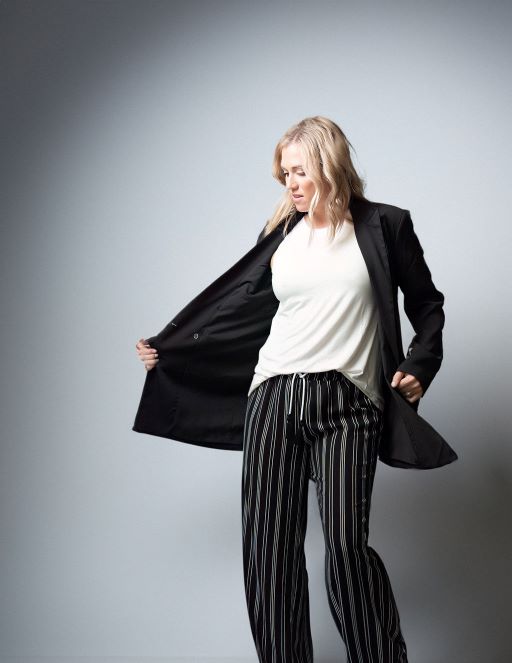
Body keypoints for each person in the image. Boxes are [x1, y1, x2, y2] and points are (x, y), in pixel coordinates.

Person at [134, 116, 454, 663]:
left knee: (347, 550)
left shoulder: (385, 225)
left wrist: (420, 365)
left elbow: (427, 305)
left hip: (349, 403)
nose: (290, 184)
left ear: (330, 166)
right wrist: (174, 351)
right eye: (284, 174)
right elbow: (235, 316)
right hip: (273, 398)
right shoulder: (279, 237)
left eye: (300, 171)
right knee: (269, 550)